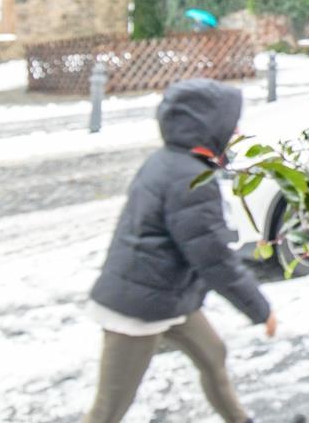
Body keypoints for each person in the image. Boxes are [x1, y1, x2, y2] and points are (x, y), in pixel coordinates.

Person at [84, 78, 280, 423]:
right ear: (207, 127)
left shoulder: (168, 160)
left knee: (213, 355)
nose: (235, 129)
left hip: (170, 297)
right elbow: (214, 259)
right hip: (137, 310)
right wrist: (260, 308)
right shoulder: (190, 179)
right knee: (108, 408)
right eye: (229, 122)